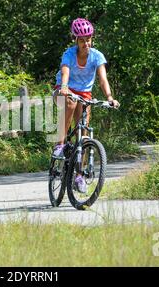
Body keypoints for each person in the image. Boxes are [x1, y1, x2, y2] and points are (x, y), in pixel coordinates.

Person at [52, 18, 120, 193]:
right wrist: (64, 87)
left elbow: (102, 79)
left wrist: (110, 97)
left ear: (92, 39)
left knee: (83, 136)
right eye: (81, 40)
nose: (85, 43)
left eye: (88, 39)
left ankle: (79, 175)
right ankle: (59, 144)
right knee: (70, 101)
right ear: (76, 40)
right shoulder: (69, 54)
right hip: (64, 90)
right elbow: (65, 71)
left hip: (84, 94)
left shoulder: (97, 56)